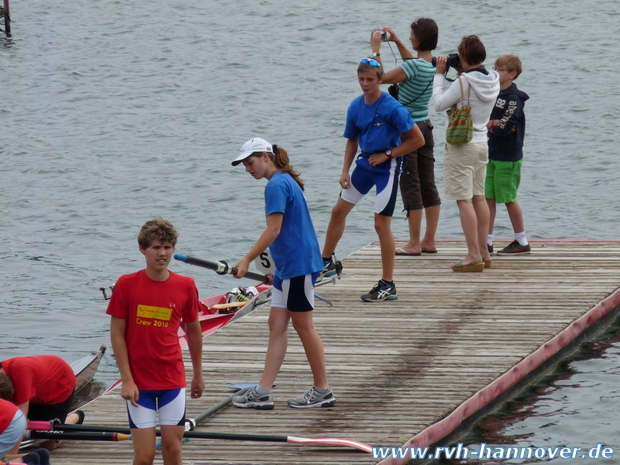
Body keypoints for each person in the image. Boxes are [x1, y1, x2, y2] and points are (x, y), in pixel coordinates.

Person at [230, 138, 336, 409]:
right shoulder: (284, 180)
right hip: (289, 267)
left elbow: (274, 230)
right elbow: (288, 231)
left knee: (304, 327)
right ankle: (263, 390)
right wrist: (276, 272)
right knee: (276, 325)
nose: (247, 169)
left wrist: (247, 259)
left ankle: (323, 390)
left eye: (250, 162)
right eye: (244, 164)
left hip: (298, 267)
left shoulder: (276, 184)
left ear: (266, 156)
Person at [320, 58, 425, 301]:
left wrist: (388, 154)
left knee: (381, 225)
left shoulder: (393, 108)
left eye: (370, 79)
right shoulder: (355, 107)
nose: (365, 84)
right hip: (365, 164)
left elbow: (417, 140)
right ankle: (326, 262)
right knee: (338, 212)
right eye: (361, 79)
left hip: (388, 167)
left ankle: (388, 284)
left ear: (380, 80)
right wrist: (344, 170)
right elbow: (352, 140)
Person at [106, 218, 205, 465]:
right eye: (156, 247)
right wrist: (126, 380)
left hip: (172, 379)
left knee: (172, 450)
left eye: (168, 247)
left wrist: (198, 374)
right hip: (139, 384)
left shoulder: (186, 285)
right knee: (145, 456)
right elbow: (117, 333)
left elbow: (193, 331)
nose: (162, 253)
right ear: (143, 249)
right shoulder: (126, 284)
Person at [370, 19, 441, 256]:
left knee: (410, 184)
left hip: (408, 130)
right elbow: (413, 62)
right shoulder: (432, 64)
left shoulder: (413, 68)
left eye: (411, 36)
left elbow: (380, 77)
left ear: (419, 39)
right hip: (426, 127)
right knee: (428, 183)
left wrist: (376, 50)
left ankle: (413, 243)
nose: (409, 38)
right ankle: (429, 240)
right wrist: (398, 41)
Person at [432, 35, 500, 271]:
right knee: (479, 198)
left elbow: (439, 104)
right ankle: (483, 251)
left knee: (464, 200)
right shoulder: (494, 79)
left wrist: (440, 74)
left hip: (462, 145)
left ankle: (472, 255)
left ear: (462, 57)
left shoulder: (463, 82)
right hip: (482, 143)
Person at [485, 54, 531, 255]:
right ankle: (486, 240)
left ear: (512, 74)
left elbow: (505, 128)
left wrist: (494, 125)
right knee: (488, 198)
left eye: (500, 69)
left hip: (509, 156)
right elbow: (486, 119)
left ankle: (521, 240)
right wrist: (494, 123)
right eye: (494, 67)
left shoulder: (513, 98)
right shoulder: (493, 93)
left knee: (509, 197)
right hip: (491, 152)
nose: (495, 72)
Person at [0, 355, 82, 454]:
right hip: (33, 391)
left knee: (48, 444)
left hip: (59, 385)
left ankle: (76, 416)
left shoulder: (21, 372)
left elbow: (20, 419)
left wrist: (10, 456)